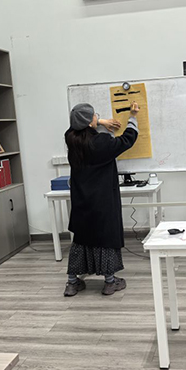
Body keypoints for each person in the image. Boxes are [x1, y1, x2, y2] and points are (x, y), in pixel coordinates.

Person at [63, 101, 140, 296]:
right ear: (90, 122)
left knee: (80, 241)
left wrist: (100, 121)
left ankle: (72, 283)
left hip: (81, 202)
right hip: (102, 201)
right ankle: (110, 282)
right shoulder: (101, 143)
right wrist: (132, 117)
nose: (97, 117)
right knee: (106, 240)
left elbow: (77, 128)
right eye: (95, 116)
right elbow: (127, 139)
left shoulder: (71, 139)